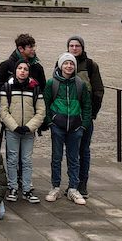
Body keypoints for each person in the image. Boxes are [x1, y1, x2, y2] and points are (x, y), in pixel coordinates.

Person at [44, 53, 92, 205]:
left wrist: (83, 125)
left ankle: (73, 187)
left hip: (75, 127)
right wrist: (50, 122)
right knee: (56, 157)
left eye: (71, 64)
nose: (69, 66)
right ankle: (55, 186)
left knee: (74, 159)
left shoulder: (80, 84)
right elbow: (45, 104)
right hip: (58, 125)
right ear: (60, 65)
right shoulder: (52, 83)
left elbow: (86, 105)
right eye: (66, 63)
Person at [0, 59, 45, 204]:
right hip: (13, 130)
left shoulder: (35, 88)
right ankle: (12, 187)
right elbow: (3, 110)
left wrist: (29, 127)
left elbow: (41, 111)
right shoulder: (7, 87)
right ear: (15, 70)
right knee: (12, 159)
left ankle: (26, 189)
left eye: (25, 69)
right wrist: (14, 126)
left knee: (26, 160)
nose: (22, 71)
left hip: (28, 131)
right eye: (20, 68)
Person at [66, 35, 103, 199]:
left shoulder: (90, 65)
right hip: (67, 116)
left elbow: (98, 90)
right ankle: (72, 182)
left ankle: (82, 183)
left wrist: (92, 113)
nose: (74, 48)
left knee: (83, 150)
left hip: (84, 116)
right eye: (71, 46)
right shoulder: (63, 62)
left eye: (77, 46)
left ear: (82, 47)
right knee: (69, 151)